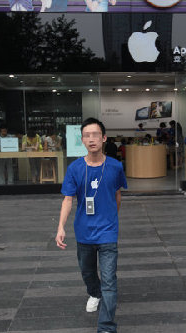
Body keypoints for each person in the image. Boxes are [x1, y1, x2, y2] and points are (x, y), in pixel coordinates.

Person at [56, 118, 127, 333]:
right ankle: (94, 293)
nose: (91, 139)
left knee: (109, 280)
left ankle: (106, 327)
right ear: (82, 140)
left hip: (107, 232)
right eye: (86, 135)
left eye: (95, 134)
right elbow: (67, 199)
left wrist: (110, 220)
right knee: (87, 273)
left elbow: (117, 195)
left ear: (103, 138)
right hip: (84, 231)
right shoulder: (75, 168)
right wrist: (61, 227)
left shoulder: (115, 166)